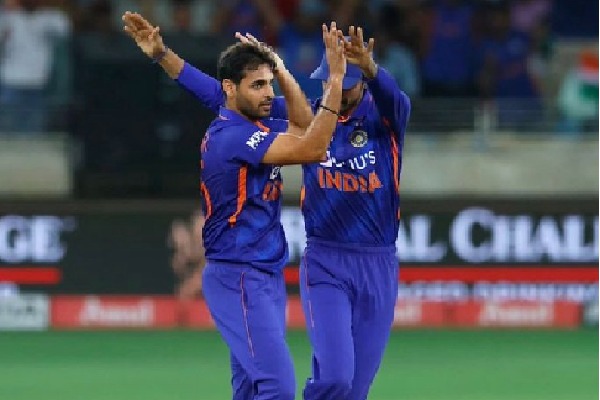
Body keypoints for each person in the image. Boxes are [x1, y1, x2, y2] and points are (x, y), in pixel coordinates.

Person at [163, 23, 410, 399]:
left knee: (353, 391)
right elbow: (223, 97)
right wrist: (164, 57)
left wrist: (371, 68)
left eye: (346, 83)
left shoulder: (386, 118)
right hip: (326, 260)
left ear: (363, 83)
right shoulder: (313, 116)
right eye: (331, 81)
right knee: (333, 380)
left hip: (378, 263)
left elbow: (393, 95)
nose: (337, 90)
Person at [123, 12, 346, 399]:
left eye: (269, 84)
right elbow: (313, 145)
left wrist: (278, 67)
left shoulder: (247, 114)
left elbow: (301, 120)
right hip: (239, 277)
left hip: (264, 275)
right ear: (231, 89)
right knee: (277, 387)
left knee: (250, 388)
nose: (268, 93)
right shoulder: (233, 138)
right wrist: (337, 82)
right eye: (258, 85)